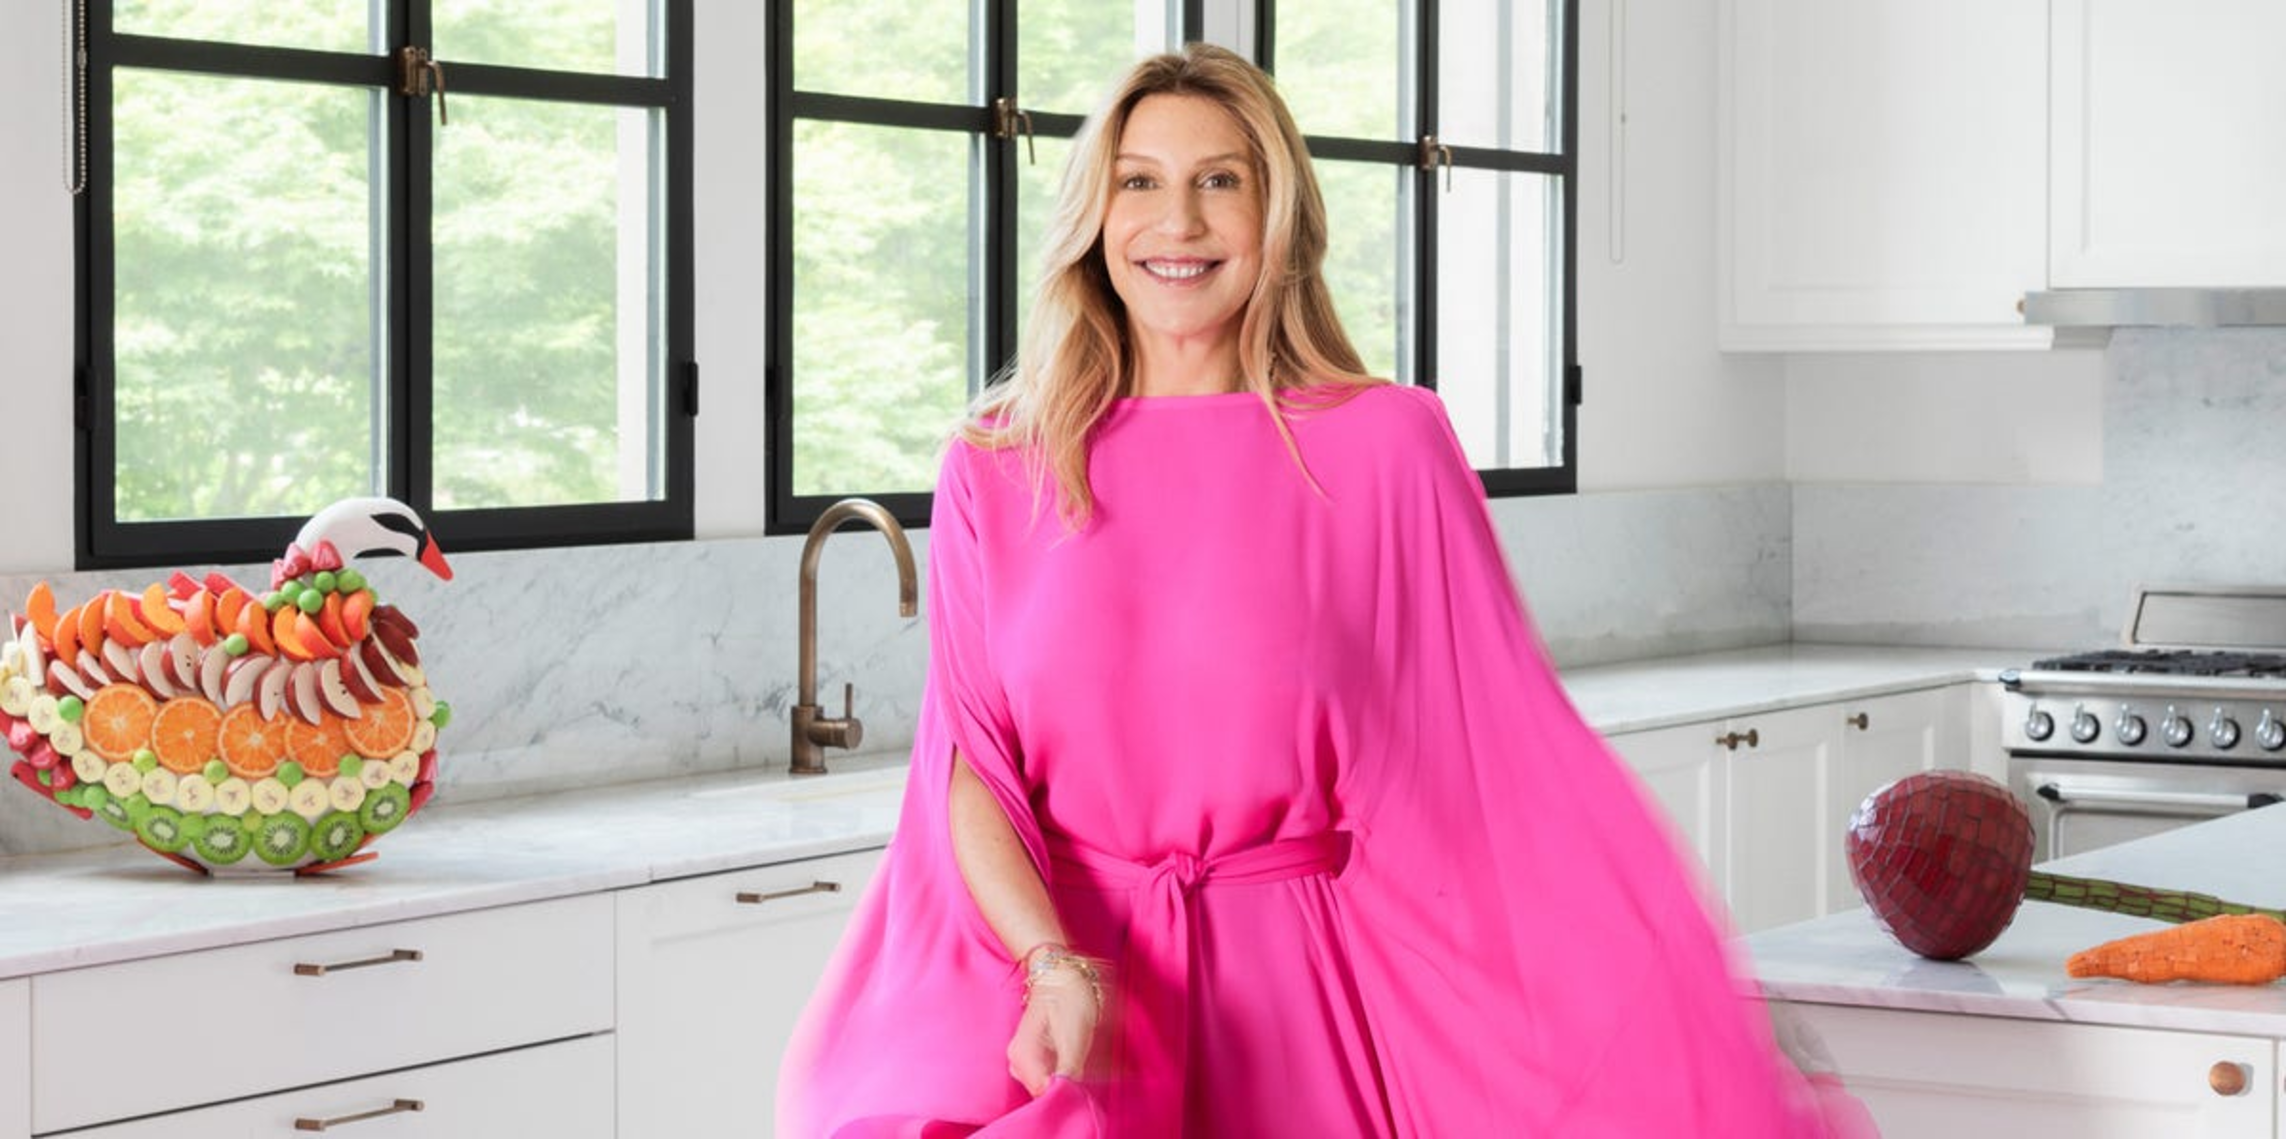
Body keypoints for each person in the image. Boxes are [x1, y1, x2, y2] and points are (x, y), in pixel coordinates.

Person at [778, 43, 1875, 1138]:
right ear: (1093, 216)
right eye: (1139, 180)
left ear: (1278, 213)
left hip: (1300, 1005)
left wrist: (1663, 1013)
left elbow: (1487, 770)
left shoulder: (1384, 446)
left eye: (1220, 180)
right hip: (1075, 1004)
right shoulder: (997, 464)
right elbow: (972, 769)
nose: (1178, 222)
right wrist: (1049, 964)